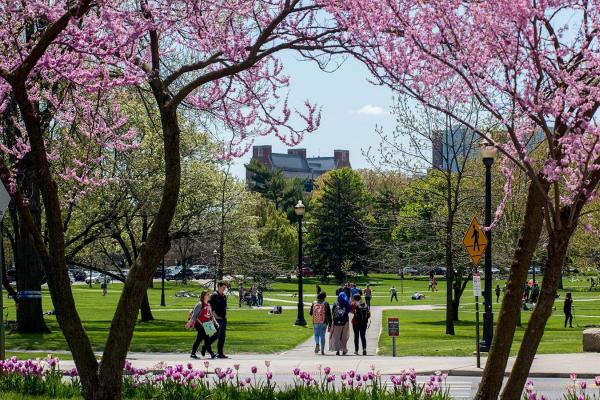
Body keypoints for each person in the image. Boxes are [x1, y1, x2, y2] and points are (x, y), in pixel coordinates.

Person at [187, 291, 218, 359]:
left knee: (215, 335)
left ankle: (195, 352)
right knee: (205, 338)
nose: (209, 296)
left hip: (208, 324)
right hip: (200, 324)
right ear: (204, 296)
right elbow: (194, 315)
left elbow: (211, 315)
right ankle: (211, 353)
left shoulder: (208, 305)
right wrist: (189, 323)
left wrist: (215, 322)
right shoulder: (200, 304)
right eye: (208, 294)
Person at [209, 281, 229, 358]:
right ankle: (206, 345)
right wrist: (215, 316)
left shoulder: (224, 296)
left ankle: (220, 353)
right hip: (217, 319)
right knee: (216, 335)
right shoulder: (214, 295)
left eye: (225, 288)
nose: (224, 289)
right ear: (219, 287)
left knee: (222, 336)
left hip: (223, 319)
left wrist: (225, 316)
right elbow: (210, 307)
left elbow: (224, 307)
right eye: (223, 287)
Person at [329, 291, 350, 355]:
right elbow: (348, 311)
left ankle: (337, 350)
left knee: (337, 336)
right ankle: (344, 349)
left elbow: (333, 312)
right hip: (345, 321)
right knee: (344, 336)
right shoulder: (347, 303)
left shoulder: (335, 303)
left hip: (336, 322)